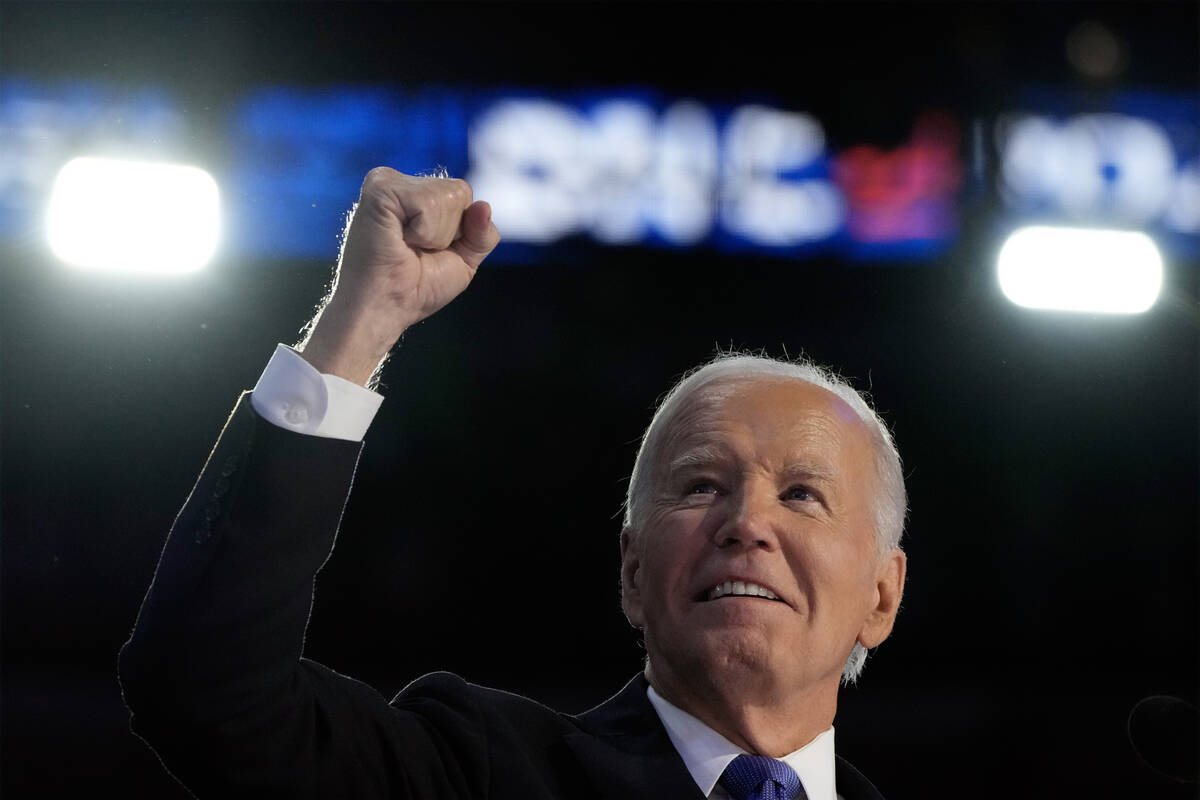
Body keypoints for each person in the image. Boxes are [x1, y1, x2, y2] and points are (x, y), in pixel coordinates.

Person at [119, 167, 907, 800]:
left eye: (801, 494)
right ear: (633, 573)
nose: (746, 523)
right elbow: (208, 693)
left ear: (881, 595)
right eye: (701, 485)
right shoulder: (484, 774)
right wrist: (362, 323)